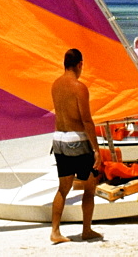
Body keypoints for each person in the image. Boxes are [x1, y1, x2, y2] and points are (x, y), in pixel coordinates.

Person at [49, 48, 102, 244]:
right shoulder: (78, 87)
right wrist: (96, 150)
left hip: (58, 139)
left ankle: (55, 232)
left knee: (63, 188)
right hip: (77, 141)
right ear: (79, 64)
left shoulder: (55, 85)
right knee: (90, 186)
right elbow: (86, 120)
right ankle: (86, 230)